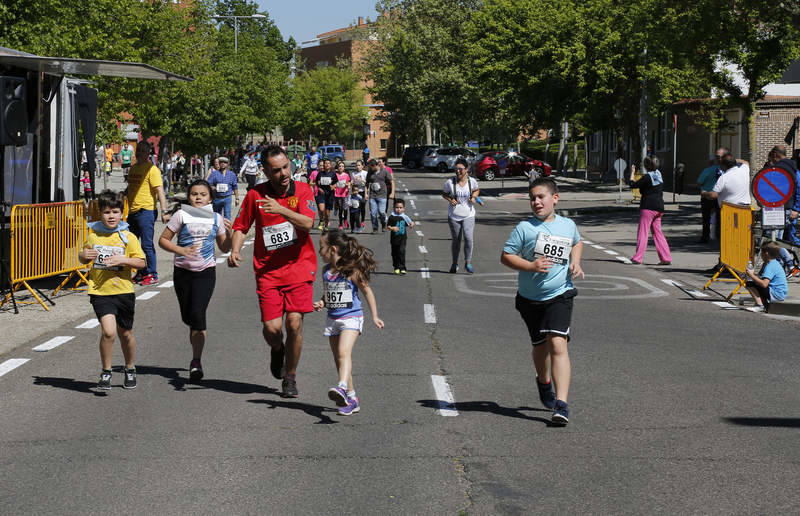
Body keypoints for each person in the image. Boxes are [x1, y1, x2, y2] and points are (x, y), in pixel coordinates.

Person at [228, 145, 317, 397]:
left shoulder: (303, 190)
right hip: (268, 272)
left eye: (286, 167)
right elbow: (241, 226)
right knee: (272, 329)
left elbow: (308, 223)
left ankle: (290, 377)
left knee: (294, 323)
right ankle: (277, 350)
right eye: (276, 170)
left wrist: (281, 210)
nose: (284, 173)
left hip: (300, 267)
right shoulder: (255, 195)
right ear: (266, 172)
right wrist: (235, 250)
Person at [500, 177, 584, 426]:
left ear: (555, 198)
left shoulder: (567, 225)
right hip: (530, 299)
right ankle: (543, 381)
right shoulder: (524, 228)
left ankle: (561, 404)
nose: (536, 202)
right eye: (532, 198)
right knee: (540, 347)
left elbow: (577, 242)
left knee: (558, 343)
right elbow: (506, 256)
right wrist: (530, 266)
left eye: (541, 197)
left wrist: (576, 261)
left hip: (560, 294)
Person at [158, 180, 233, 381]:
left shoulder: (216, 218)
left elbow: (224, 248)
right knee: (188, 317)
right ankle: (193, 327)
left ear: (210, 198)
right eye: (194, 194)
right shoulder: (181, 215)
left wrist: (230, 233)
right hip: (182, 272)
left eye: (203, 194)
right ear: (188, 197)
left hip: (205, 272)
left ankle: (196, 361)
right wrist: (180, 250)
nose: (198, 197)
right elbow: (163, 240)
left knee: (198, 315)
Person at [78, 191, 146, 390]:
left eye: (115, 212)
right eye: (107, 212)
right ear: (100, 213)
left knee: (125, 333)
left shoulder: (128, 237)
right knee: (108, 332)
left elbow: (141, 262)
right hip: (100, 290)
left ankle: (130, 367)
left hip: (123, 290)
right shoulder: (93, 235)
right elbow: (83, 257)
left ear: (122, 213)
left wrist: (122, 260)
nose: (111, 216)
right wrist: (84, 255)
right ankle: (106, 371)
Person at [313, 229, 384, 416]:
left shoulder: (352, 270)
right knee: (339, 359)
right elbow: (329, 292)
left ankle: (342, 387)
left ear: (333, 249)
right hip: (333, 319)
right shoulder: (326, 271)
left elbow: (367, 291)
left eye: (321, 248)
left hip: (351, 318)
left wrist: (375, 316)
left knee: (344, 353)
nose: (319, 252)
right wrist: (322, 302)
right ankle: (352, 399)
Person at [127, 144, 169, 286]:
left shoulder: (152, 169)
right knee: (133, 245)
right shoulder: (133, 168)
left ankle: (152, 274)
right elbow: (131, 187)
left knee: (146, 245)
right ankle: (141, 272)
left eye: (143, 151)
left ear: (148, 153)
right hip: (132, 212)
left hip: (146, 211)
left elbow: (160, 190)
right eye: (138, 150)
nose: (140, 153)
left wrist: (164, 211)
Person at [627, 155, 672, 265]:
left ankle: (638, 258)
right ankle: (666, 258)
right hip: (659, 208)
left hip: (648, 207)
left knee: (643, 232)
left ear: (646, 166)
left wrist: (632, 173)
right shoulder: (659, 175)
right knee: (658, 233)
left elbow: (632, 185)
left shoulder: (647, 177)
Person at [441, 158, 479, 273]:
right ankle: (455, 263)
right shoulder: (450, 182)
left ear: (466, 169)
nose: (458, 171)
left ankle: (468, 262)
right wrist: (450, 199)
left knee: (468, 238)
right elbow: (444, 193)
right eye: (456, 169)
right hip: (454, 215)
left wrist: (473, 197)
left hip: (469, 214)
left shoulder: (472, 181)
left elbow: (476, 190)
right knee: (456, 240)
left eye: (460, 169)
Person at [745, 242, 788, 312]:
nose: (760, 255)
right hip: (780, 293)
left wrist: (751, 275)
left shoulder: (770, 266)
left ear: (766, 253)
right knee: (756, 282)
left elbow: (764, 284)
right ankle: (764, 304)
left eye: (761, 252)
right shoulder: (775, 263)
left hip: (776, 294)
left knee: (749, 283)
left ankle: (760, 305)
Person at [696, 152, 723, 243]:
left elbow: (699, 182)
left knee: (706, 218)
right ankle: (719, 236)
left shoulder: (707, 170)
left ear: (711, 161)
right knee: (719, 217)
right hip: (719, 196)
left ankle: (705, 237)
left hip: (707, 196)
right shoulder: (723, 170)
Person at [365, 158, 393, 233]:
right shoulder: (370, 172)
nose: (370, 169)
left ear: (375, 166)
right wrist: (366, 193)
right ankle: (375, 228)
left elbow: (391, 181)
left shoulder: (384, 171)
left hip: (382, 195)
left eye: (371, 167)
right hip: (372, 196)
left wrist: (392, 193)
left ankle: (383, 224)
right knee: (373, 213)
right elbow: (367, 183)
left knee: (382, 212)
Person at [387, 198, 414, 274]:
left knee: (401, 252)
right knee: (394, 253)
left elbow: (410, 222)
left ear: (404, 208)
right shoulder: (392, 217)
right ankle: (396, 267)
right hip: (394, 239)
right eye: (397, 207)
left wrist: (412, 224)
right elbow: (388, 226)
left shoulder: (404, 217)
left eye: (400, 208)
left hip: (402, 238)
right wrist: (392, 228)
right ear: (393, 208)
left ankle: (402, 267)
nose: (399, 209)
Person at [315, 158, 337, 231]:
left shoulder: (333, 174)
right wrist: (319, 188)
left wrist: (333, 186)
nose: (327, 164)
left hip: (329, 195)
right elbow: (316, 182)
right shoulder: (320, 173)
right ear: (324, 165)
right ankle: (321, 221)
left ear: (330, 165)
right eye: (325, 163)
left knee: (327, 214)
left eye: (328, 163)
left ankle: (326, 225)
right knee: (321, 209)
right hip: (321, 194)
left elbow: (336, 183)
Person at [350, 160, 368, 229]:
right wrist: (352, 182)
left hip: (363, 192)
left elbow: (367, 184)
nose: (357, 167)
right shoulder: (353, 173)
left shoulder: (365, 173)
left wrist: (366, 194)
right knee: (356, 207)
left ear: (362, 166)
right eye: (356, 165)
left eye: (359, 165)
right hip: (356, 192)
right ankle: (357, 221)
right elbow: (352, 183)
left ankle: (362, 220)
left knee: (362, 207)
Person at [334, 160, 351, 229]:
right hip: (338, 194)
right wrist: (334, 187)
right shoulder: (335, 175)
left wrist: (348, 185)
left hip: (345, 194)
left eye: (342, 166)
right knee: (340, 209)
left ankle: (345, 220)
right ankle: (340, 224)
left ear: (344, 168)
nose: (341, 167)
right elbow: (333, 183)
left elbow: (348, 183)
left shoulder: (346, 175)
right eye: (340, 166)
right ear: (338, 167)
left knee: (345, 208)